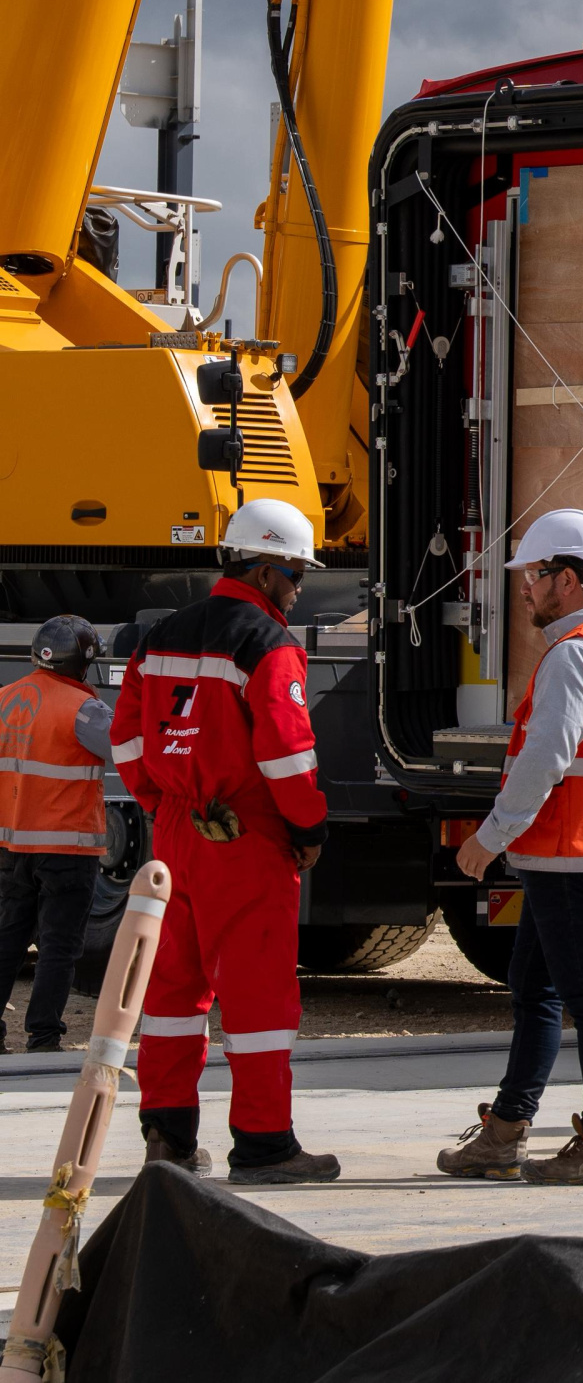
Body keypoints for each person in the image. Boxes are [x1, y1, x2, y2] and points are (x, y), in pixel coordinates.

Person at [437, 509, 583, 1185]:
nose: (526, 590)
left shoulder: (574, 655)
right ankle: (506, 1131)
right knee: (535, 986)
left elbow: (546, 759)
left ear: (566, 579)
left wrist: (488, 838)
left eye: (533, 577)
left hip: (575, 851)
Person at [110, 498, 338, 1183]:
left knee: (173, 991)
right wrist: (309, 830)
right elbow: (287, 758)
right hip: (245, 836)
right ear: (267, 571)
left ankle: (168, 1140)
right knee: (259, 993)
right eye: (295, 575)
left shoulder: (160, 636)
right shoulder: (268, 643)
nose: (297, 591)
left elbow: (125, 738)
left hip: (176, 831)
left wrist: (163, 803)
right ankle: (266, 1146)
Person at [0, 616, 114, 1053]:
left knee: (9, 938)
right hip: (67, 847)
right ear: (82, 664)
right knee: (58, 946)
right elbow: (129, 747)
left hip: (14, 847)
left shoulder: (6, 699)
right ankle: (43, 1037)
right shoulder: (83, 709)